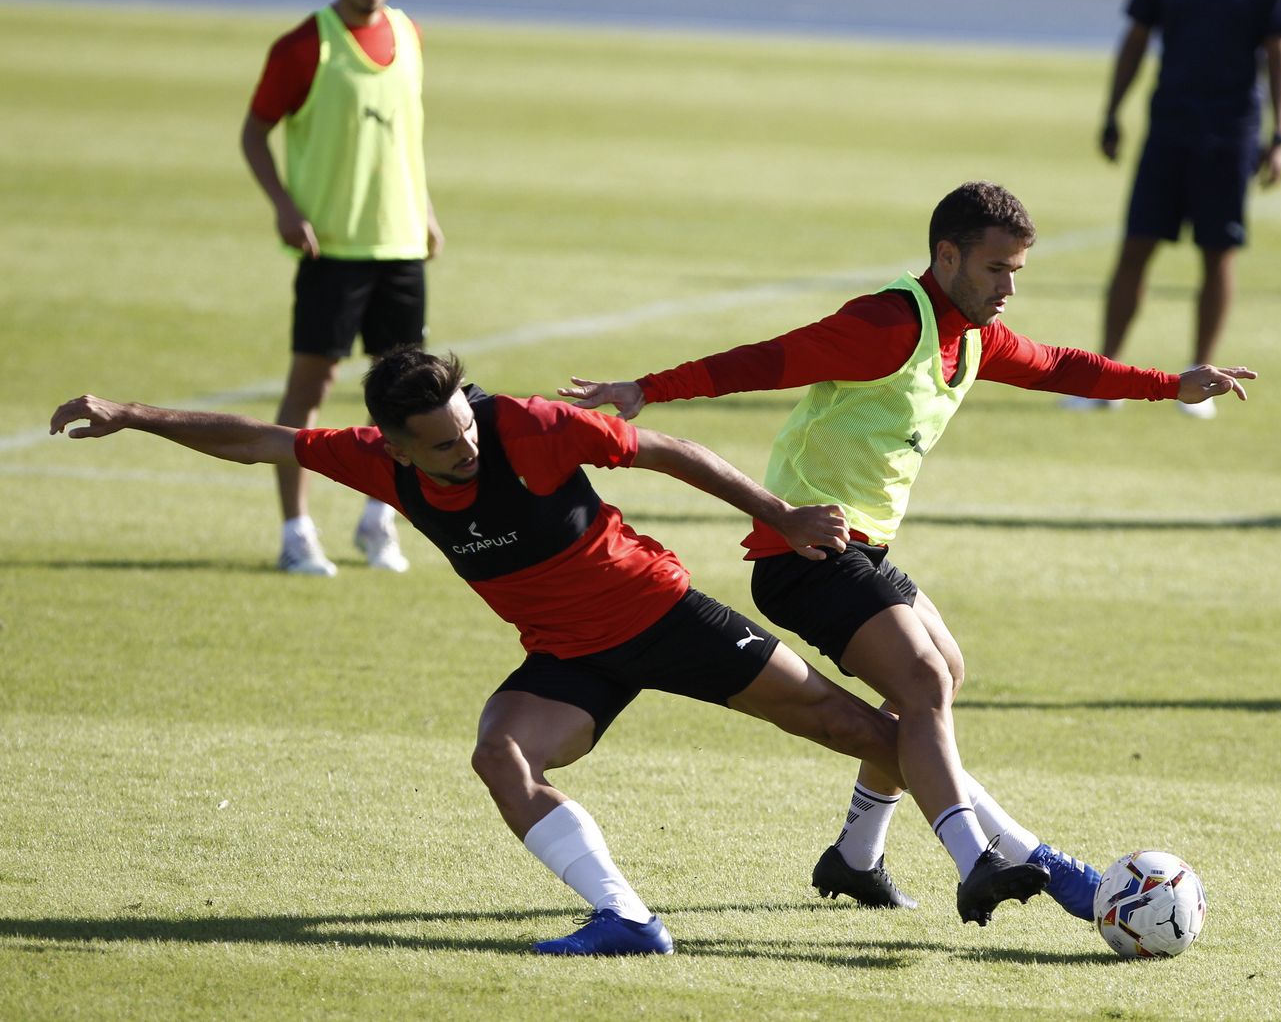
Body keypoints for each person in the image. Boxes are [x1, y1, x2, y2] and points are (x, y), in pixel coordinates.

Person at [49, 348, 946, 956]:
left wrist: (780, 515)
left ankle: (975, 854)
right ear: (396, 446)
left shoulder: (527, 425)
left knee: (865, 730)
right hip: (569, 654)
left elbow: (670, 451)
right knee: (500, 750)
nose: (466, 445)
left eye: (466, 426)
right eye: (443, 444)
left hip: (659, 611)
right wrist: (131, 413)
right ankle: (627, 919)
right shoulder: (373, 460)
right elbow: (258, 441)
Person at [561, 181, 1254, 927]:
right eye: (996, 269)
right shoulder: (886, 325)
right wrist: (647, 388)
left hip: (863, 550)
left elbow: (1058, 365)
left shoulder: (973, 335)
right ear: (947, 256)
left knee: (942, 672)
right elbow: (765, 361)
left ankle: (856, 857)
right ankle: (979, 859)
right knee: (922, 678)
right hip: (803, 551)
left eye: (1017, 271)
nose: (1009, 288)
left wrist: (1170, 385)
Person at [241, 0, 445, 576]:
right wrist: (283, 206)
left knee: (407, 397)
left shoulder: (410, 34)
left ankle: (378, 520)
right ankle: (296, 531)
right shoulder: (306, 46)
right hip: (331, 250)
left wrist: (425, 211)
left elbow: (403, 140)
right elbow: (255, 131)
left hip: (401, 246)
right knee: (311, 388)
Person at [1064, 0, 1281, 420]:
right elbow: (1137, 36)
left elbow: (1279, 50)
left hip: (1231, 134)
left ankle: (1202, 378)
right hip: (1168, 129)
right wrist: (1112, 112)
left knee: (1217, 253)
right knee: (1135, 248)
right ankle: (1105, 379)